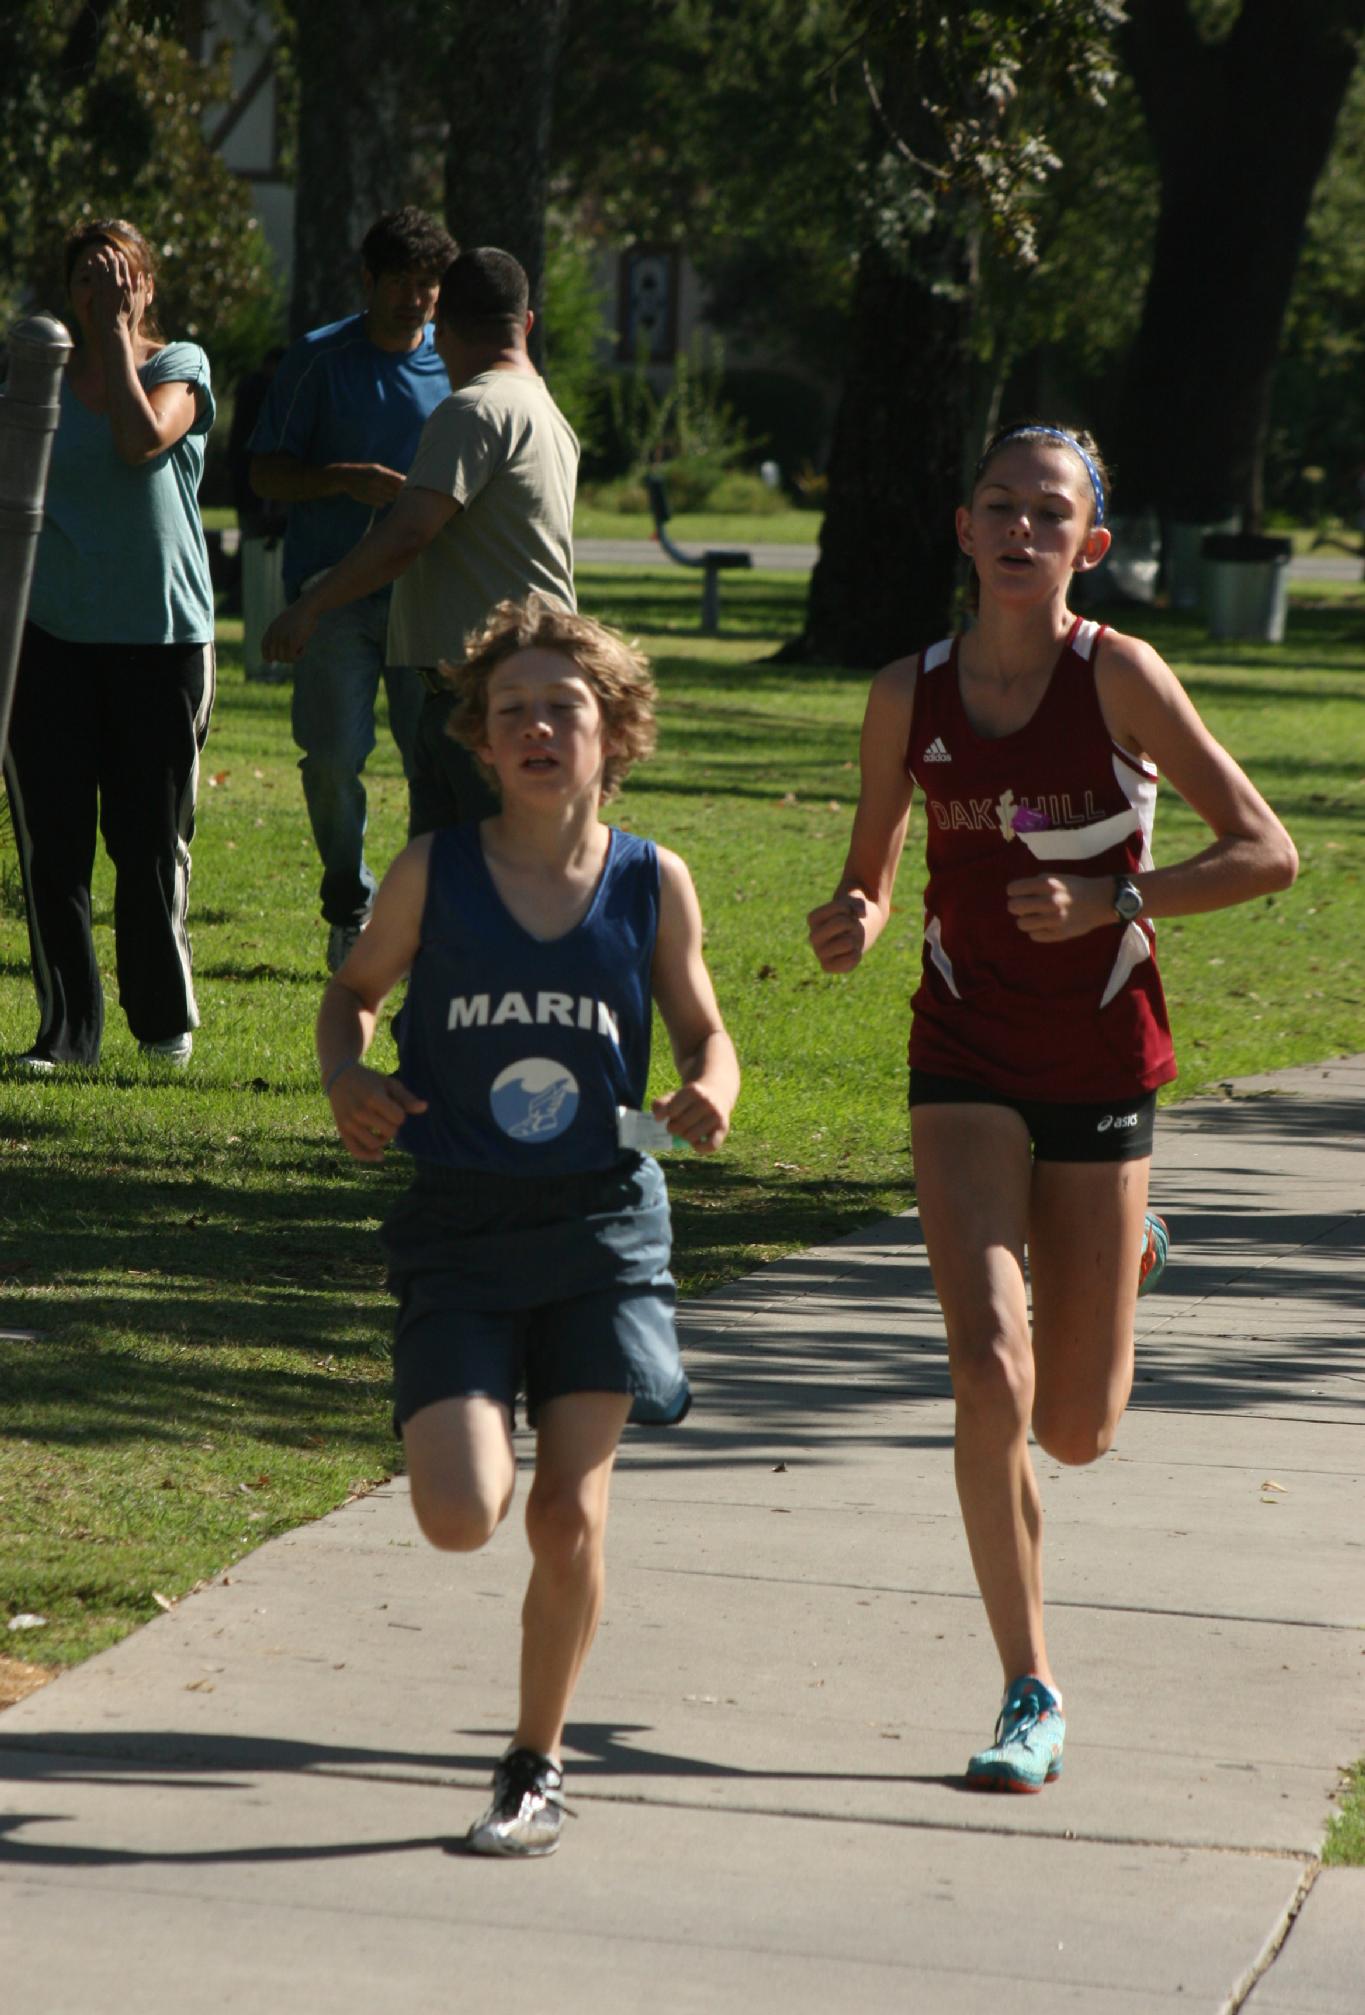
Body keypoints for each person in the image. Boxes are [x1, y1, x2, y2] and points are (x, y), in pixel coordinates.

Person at [807, 421, 1297, 1793]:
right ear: (963, 529)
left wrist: (1114, 898)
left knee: (1076, 1428)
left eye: (1048, 513)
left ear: (1089, 544)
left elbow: (1266, 850)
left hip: (1099, 1057)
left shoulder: (1119, 675)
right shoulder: (906, 692)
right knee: (987, 1370)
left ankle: (1125, 1247)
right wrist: (856, 917)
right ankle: (1030, 1686)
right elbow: (872, 869)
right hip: (962, 1052)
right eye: (998, 506)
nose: (1020, 529)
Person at [316, 595, 739, 1856]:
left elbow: (706, 1030)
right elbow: (353, 993)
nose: (539, 728)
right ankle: (475, 1423)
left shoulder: (652, 880)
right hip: (459, 1224)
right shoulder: (432, 870)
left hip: (604, 1224)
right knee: (460, 1513)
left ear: (617, 731)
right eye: (514, 711)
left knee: (566, 1515)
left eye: (565, 707)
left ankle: (534, 1760)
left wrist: (710, 1088)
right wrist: (347, 1073)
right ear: (481, 739)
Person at [263, 247, 578, 841]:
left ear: (442, 327)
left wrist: (310, 606)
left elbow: (407, 535)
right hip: (523, 684)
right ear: (527, 322)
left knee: (481, 882)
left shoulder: (474, 409)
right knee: (453, 882)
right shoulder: (543, 409)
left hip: (487, 697)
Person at [3, 216, 216, 1070]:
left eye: (120, 275)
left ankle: (163, 1022)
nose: (104, 292)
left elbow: (138, 442)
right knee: (52, 849)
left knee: (148, 842)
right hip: (47, 641)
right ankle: (67, 1033)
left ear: (148, 287)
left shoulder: (179, 366)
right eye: (87, 278)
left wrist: (121, 338)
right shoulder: (34, 381)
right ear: (67, 294)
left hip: (160, 641)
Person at [248, 207, 457, 969]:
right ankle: (349, 901)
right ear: (367, 281)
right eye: (399, 281)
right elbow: (264, 472)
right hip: (329, 593)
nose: (414, 298)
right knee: (333, 760)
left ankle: (430, 918)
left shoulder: (457, 365)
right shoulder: (318, 359)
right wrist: (339, 478)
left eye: (428, 284)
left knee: (434, 765)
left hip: (425, 598)